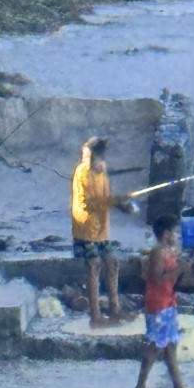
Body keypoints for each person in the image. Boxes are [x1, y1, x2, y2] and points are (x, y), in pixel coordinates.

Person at [71, 137, 136, 328]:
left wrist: (122, 205)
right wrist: (116, 200)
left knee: (112, 263)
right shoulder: (83, 173)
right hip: (85, 227)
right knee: (94, 267)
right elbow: (90, 203)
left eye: (89, 156)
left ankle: (115, 309)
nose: (86, 160)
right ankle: (95, 316)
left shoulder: (101, 170)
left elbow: (105, 198)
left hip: (101, 228)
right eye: (85, 156)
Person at [133, 214, 194, 388]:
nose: (177, 236)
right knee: (156, 345)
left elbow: (173, 279)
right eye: (175, 232)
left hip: (168, 302)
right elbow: (157, 278)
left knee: (170, 345)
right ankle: (140, 386)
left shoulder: (169, 252)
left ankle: (178, 387)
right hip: (158, 303)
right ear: (166, 233)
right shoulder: (158, 252)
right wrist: (179, 269)